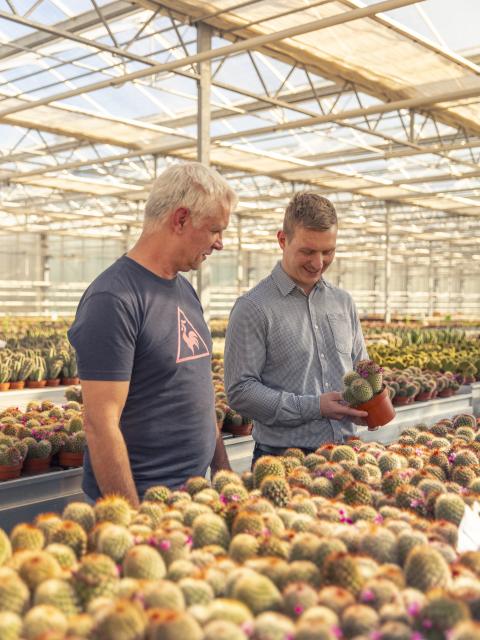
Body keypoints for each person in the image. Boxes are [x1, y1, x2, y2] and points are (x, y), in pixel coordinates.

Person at [68, 162, 238, 507]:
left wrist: (223, 476)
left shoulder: (184, 290)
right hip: (142, 503)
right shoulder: (114, 298)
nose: (220, 243)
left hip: (193, 500)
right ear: (180, 220)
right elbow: (100, 424)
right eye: (214, 230)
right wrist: (133, 522)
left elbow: (200, 389)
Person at [224, 192, 368, 467]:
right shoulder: (253, 307)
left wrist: (372, 396)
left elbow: (362, 365)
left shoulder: (342, 302)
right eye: (307, 251)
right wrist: (314, 406)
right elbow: (241, 391)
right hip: (284, 459)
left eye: (328, 252)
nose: (318, 263)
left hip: (348, 453)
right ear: (282, 240)